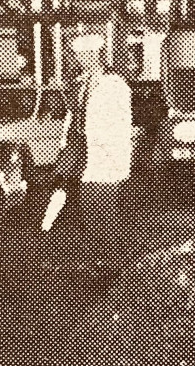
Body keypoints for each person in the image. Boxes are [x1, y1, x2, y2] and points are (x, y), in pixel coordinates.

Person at [40, 33, 135, 271]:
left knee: (104, 211)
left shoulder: (115, 84)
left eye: (89, 54)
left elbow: (122, 122)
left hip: (105, 157)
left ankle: (110, 262)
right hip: (80, 155)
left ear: (99, 55)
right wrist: (65, 145)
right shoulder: (79, 85)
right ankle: (93, 259)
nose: (84, 59)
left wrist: (114, 153)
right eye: (81, 55)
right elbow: (72, 119)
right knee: (87, 209)